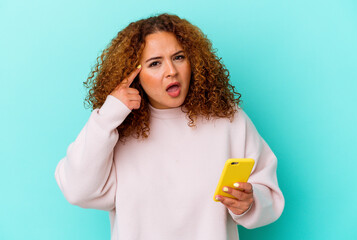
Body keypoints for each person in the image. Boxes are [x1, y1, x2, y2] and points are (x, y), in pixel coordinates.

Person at [55, 13, 285, 240]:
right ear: (134, 75)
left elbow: (269, 195)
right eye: (155, 63)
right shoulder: (117, 130)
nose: (171, 71)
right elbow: (78, 191)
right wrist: (107, 116)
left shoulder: (228, 119)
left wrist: (249, 202)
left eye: (179, 57)